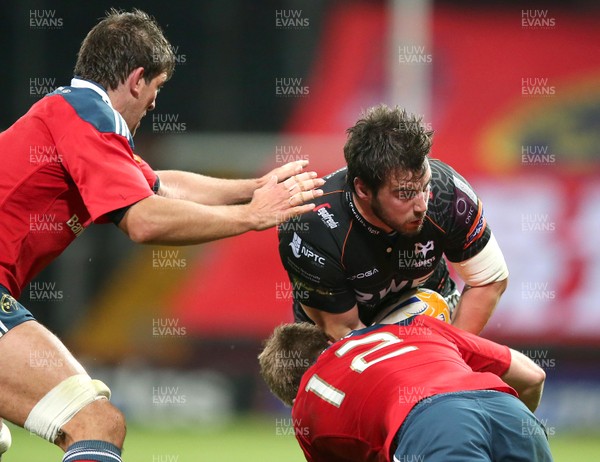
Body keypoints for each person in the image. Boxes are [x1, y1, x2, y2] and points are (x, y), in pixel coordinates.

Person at [0, 8, 324, 462]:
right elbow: (145, 220)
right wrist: (251, 216)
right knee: (95, 423)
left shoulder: (73, 116)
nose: (154, 104)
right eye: (156, 88)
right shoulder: (93, 117)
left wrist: (253, 188)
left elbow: (158, 184)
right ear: (136, 79)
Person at [278, 104, 508, 341]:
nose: (422, 205)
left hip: (435, 318)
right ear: (363, 189)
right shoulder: (311, 228)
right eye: (405, 194)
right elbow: (344, 333)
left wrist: (451, 355)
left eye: (425, 186)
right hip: (342, 342)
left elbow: (489, 281)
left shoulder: (448, 193)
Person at [258, 315, 553, 461]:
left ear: (293, 394)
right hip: (510, 411)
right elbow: (532, 376)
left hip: (432, 425)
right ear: (329, 343)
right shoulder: (416, 326)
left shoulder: (308, 399)